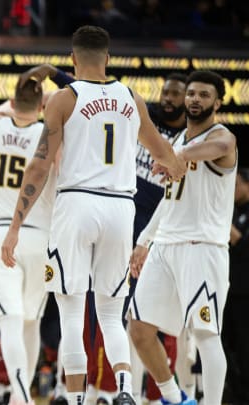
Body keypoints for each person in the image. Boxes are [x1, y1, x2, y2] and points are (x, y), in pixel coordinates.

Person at [0, 25, 185, 405]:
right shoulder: (131, 97)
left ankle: (77, 399)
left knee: (71, 310)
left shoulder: (64, 99)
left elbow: (38, 166)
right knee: (112, 310)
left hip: (77, 204)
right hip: (121, 208)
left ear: (72, 58)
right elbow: (164, 153)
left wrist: (15, 226)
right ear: (109, 59)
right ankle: (123, 392)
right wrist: (174, 167)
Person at [128, 70, 236, 405]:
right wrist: (144, 241)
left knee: (206, 334)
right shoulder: (175, 143)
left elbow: (216, 148)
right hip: (165, 246)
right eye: (192, 94)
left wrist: (178, 156)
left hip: (203, 248)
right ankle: (175, 398)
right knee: (140, 329)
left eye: (204, 95)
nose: (195, 100)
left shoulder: (224, 138)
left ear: (217, 102)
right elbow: (167, 202)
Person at [0, 78, 55, 405]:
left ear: (12, 100)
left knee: (8, 321)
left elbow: (1, 110)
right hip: (39, 235)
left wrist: (29, 85)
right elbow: (55, 101)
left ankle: (21, 397)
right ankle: (20, 398)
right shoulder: (51, 134)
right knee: (30, 321)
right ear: (41, 105)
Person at [224, 167, 249, 404]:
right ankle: (233, 394)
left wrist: (221, 219)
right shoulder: (233, 211)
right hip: (228, 290)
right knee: (225, 343)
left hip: (245, 294)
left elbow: (242, 244)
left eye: (236, 185)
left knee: (244, 346)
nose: (232, 191)